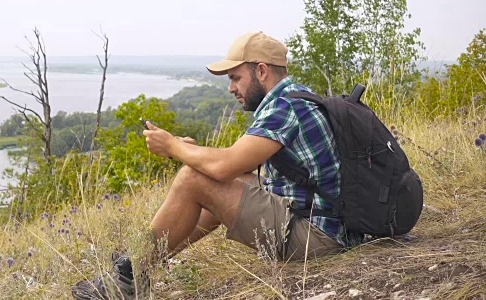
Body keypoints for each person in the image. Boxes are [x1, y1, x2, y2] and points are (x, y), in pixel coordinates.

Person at [72, 31, 362, 299]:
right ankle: (138, 268)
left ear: (261, 71)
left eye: (236, 77)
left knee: (193, 179)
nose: (231, 88)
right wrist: (189, 152)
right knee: (209, 177)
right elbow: (235, 163)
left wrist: (173, 147)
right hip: (327, 222)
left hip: (319, 239)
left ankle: (128, 278)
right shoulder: (296, 96)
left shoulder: (283, 108)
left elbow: (224, 166)